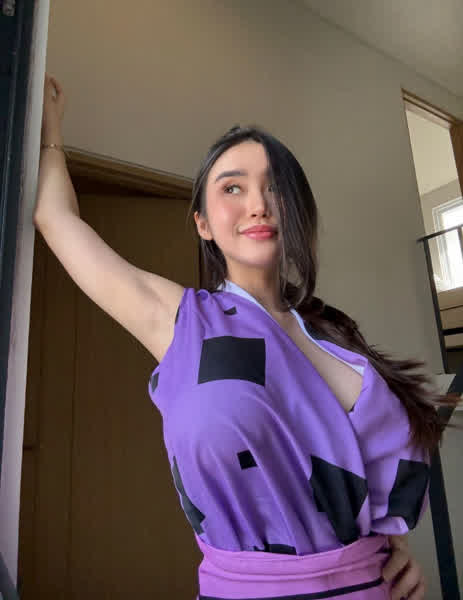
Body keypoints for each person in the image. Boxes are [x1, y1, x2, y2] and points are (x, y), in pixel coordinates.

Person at [36, 73, 459, 599]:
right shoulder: (186, 322)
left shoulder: (336, 338)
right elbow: (55, 218)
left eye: (274, 187)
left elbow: (363, 485)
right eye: (232, 188)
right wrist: (50, 132)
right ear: (203, 224)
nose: (258, 204)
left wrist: (394, 547)